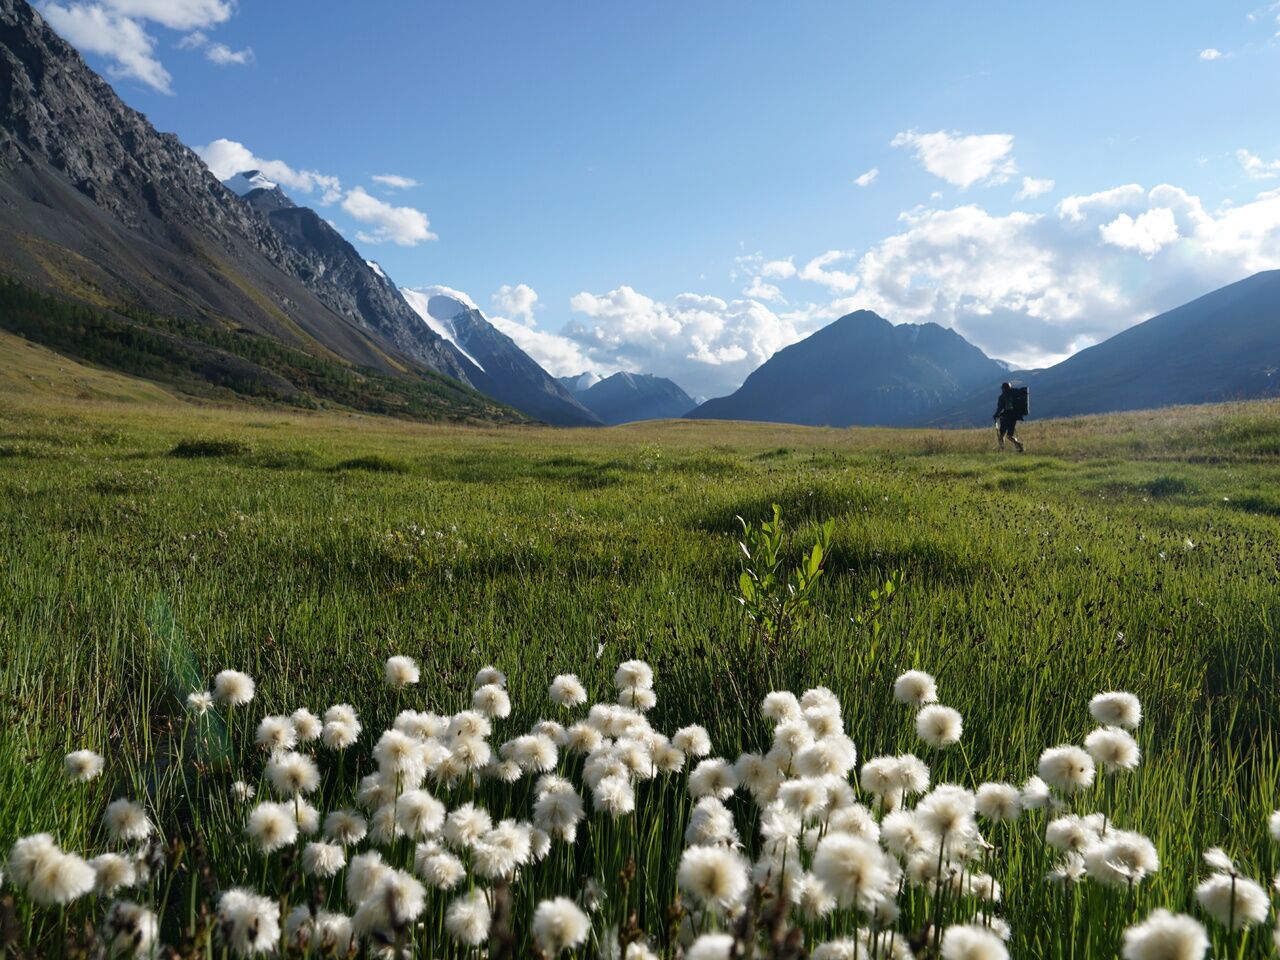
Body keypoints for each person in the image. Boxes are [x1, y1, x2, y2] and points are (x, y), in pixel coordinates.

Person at [993, 382, 1024, 452]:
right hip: (1013, 418)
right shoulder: (1015, 393)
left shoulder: (1002, 397)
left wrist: (996, 415)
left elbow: (1000, 408)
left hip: (1005, 418)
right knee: (1009, 436)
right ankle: (1019, 445)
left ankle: (1002, 449)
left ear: (1003, 389)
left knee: (1001, 435)